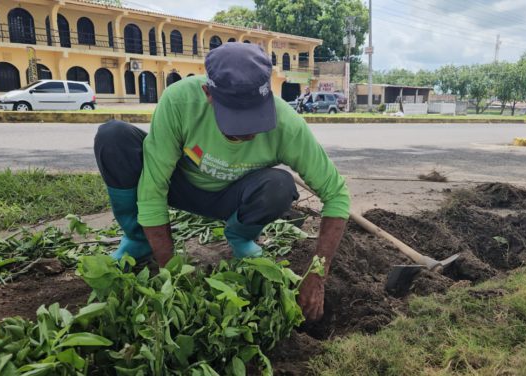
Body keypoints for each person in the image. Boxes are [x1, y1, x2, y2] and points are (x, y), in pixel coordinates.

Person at [94, 43, 349, 321]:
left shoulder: (287, 125)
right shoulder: (179, 102)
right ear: (208, 94)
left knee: (280, 185)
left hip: (232, 199)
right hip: (181, 187)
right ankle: (138, 239)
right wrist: (173, 274)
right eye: (237, 122)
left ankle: (240, 236)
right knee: (113, 137)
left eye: (255, 119)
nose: (249, 133)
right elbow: (153, 187)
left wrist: (317, 274)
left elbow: (336, 195)